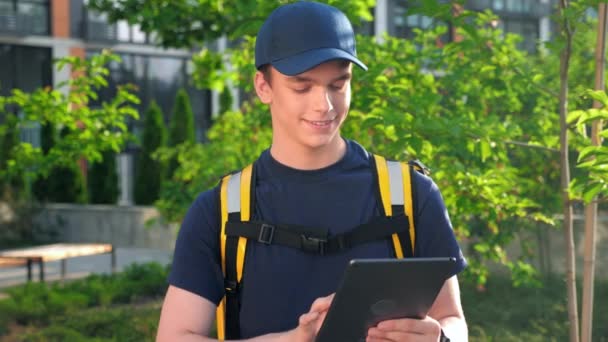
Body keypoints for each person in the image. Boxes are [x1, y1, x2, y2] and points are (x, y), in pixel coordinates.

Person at [157, 1, 468, 341]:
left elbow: (452, 320)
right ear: (263, 87)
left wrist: (439, 338)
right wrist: (294, 339)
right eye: (302, 87)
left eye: (338, 84)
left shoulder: (411, 195)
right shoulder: (219, 212)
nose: (324, 104)